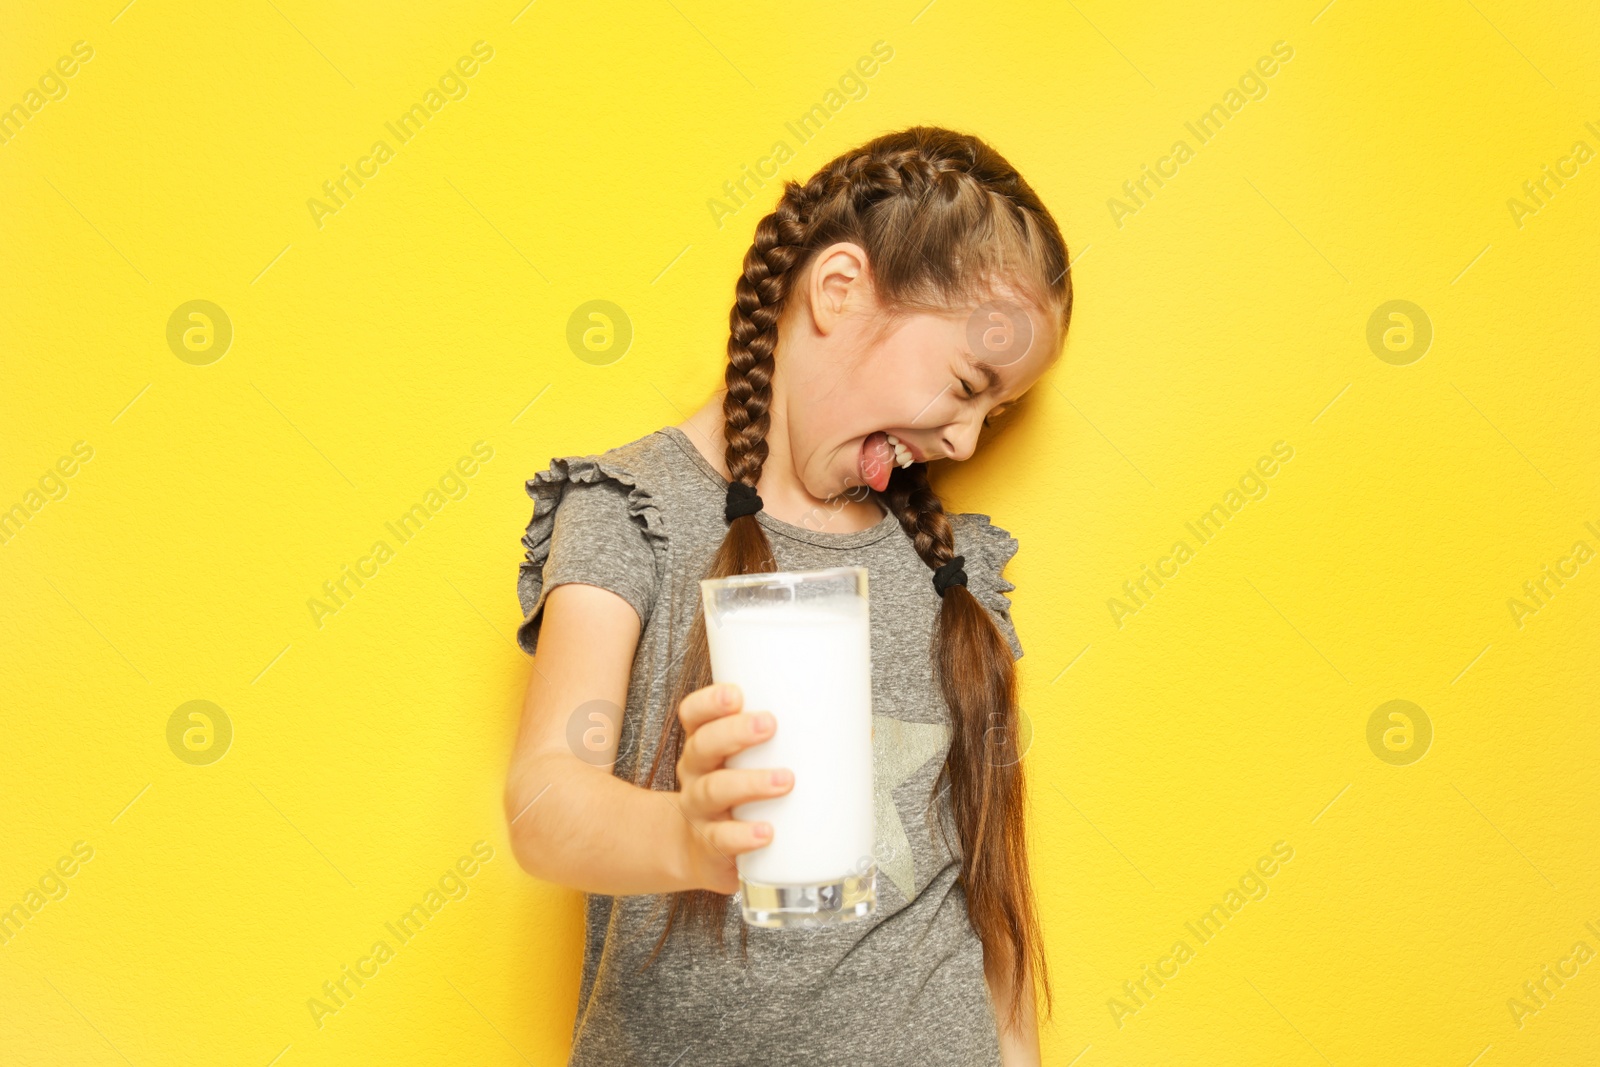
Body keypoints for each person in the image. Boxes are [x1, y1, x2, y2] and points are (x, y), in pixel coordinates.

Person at [504, 125, 1074, 1066]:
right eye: (967, 384)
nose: (968, 442)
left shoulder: (950, 573)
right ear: (838, 289)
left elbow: (991, 915)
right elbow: (544, 801)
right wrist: (680, 838)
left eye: (995, 412)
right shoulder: (634, 512)